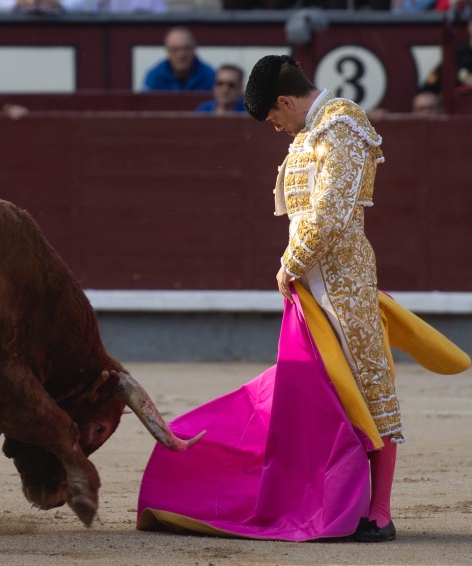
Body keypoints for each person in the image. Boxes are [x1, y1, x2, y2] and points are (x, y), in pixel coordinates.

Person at [136, 54, 470, 544]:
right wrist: (296, 271)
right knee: (320, 393)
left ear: (287, 101)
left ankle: (379, 512)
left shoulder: (343, 126)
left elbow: (331, 214)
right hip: (314, 288)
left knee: (365, 386)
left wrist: (289, 265)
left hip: (344, 284)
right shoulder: (308, 137)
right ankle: (334, 501)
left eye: (273, 116)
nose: (274, 127)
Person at [142, 27, 215, 92]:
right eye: (175, 49)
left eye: (186, 48)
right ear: (167, 51)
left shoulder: (210, 77)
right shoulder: (154, 77)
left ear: (194, 48)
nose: (181, 55)